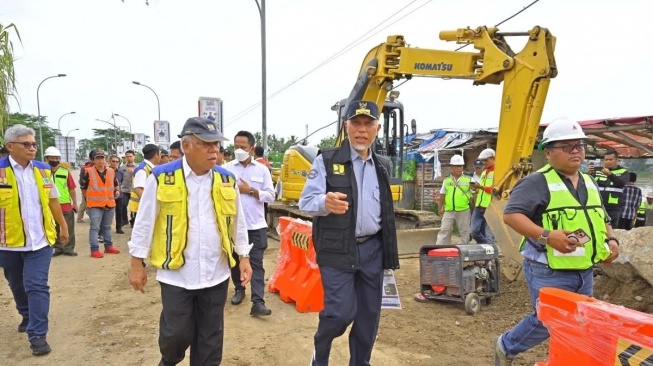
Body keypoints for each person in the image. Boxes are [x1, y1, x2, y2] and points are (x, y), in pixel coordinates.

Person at [494, 118, 619, 365]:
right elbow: (511, 216)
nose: (576, 151)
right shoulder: (536, 182)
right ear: (548, 153)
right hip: (548, 268)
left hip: (584, 268)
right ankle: (505, 346)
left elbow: (600, 215)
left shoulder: (589, 181)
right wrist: (547, 236)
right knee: (547, 319)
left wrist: (611, 238)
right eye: (567, 146)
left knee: (579, 319)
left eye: (580, 145)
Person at [128, 117, 252, 366]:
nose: (214, 150)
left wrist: (244, 258)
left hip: (215, 273)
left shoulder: (226, 179)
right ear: (186, 146)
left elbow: (238, 222)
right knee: (176, 335)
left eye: (216, 144)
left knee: (210, 340)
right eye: (206, 144)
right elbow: (144, 222)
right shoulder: (162, 177)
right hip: (177, 275)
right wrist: (136, 264)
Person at [299, 100, 399, 366]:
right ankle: (320, 352)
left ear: (377, 128)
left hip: (373, 249)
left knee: (368, 318)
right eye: (356, 123)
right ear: (346, 126)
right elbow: (306, 201)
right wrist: (324, 202)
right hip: (337, 249)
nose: (362, 130)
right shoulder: (327, 160)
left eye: (368, 124)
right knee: (340, 314)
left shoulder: (383, 166)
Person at [0, 125, 69, 356]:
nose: (32, 148)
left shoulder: (42, 170)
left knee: (36, 286)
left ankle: (38, 334)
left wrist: (64, 225)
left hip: (39, 242)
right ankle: (27, 314)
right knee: (17, 285)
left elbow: (52, 201)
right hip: (7, 243)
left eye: (34, 144)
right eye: (26, 144)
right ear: (11, 146)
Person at [224, 131, 276, 316]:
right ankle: (239, 289)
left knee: (256, 263)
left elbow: (271, 195)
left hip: (256, 225)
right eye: (236, 146)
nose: (238, 150)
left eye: (243, 147)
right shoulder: (227, 169)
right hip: (233, 225)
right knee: (235, 260)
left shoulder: (262, 170)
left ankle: (258, 302)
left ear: (252, 149)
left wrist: (251, 190)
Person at [80, 149, 121, 258]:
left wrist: (117, 191)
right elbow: (83, 189)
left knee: (107, 227)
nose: (100, 161)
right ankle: (94, 249)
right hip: (95, 205)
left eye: (102, 158)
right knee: (95, 228)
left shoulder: (111, 171)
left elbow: (115, 184)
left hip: (109, 203)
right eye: (97, 158)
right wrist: (88, 200)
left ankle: (108, 247)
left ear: (105, 159)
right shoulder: (88, 172)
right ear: (93, 160)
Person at [44, 146, 78, 257]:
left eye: (57, 158)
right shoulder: (42, 172)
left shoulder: (65, 172)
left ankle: (68, 248)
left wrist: (75, 203)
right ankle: (58, 248)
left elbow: (71, 188)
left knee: (68, 227)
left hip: (65, 205)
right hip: (48, 206)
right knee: (54, 227)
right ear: (46, 159)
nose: (55, 160)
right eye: (52, 158)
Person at [436, 155, 472, 245]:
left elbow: (474, 194)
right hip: (449, 210)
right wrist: (440, 207)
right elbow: (442, 194)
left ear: (463, 167)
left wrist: (474, 209)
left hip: (463, 210)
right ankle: (438, 249)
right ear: (451, 167)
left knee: (464, 231)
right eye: (456, 166)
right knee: (444, 230)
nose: (458, 168)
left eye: (460, 166)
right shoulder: (447, 180)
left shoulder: (469, 179)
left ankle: (465, 251)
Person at [588, 149, 628, 227]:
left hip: (613, 207)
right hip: (597, 205)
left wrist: (610, 174)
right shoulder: (597, 170)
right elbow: (588, 184)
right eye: (606, 159)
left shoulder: (623, 171)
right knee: (596, 227)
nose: (608, 161)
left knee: (611, 229)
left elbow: (621, 183)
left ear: (617, 160)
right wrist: (588, 174)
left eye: (610, 159)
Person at [128, 144, 160, 223]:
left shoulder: (149, 167)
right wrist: (149, 204)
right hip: (141, 208)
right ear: (156, 155)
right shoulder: (142, 169)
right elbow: (138, 189)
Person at [471, 148, 496, 244]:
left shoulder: (497, 173)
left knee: (489, 235)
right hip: (479, 206)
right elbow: (481, 189)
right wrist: (475, 188)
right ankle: (489, 249)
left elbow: (494, 190)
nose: (484, 163)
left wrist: (480, 187)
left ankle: (490, 256)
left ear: (493, 158)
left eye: (486, 160)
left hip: (490, 207)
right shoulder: (484, 172)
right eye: (483, 161)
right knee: (474, 232)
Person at [119, 150, 137, 228]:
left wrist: (134, 172)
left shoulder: (138, 167)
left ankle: (133, 220)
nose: (129, 158)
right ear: (125, 157)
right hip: (124, 189)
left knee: (134, 207)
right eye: (127, 156)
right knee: (123, 205)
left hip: (134, 190)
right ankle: (124, 220)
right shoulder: (122, 167)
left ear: (134, 157)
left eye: (130, 156)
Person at [109, 154, 125, 234]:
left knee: (119, 211)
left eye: (117, 162)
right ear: (110, 162)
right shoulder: (106, 171)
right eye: (113, 161)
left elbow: (121, 181)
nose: (115, 163)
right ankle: (106, 228)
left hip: (119, 195)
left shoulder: (120, 172)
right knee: (108, 212)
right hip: (108, 195)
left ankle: (119, 227)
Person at [76, 151, 94, 223]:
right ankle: (79, 218)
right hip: (87, 189)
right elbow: (82, 181)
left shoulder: (102, 167)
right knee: (84, 202)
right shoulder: (85, 168)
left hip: (96, 190)